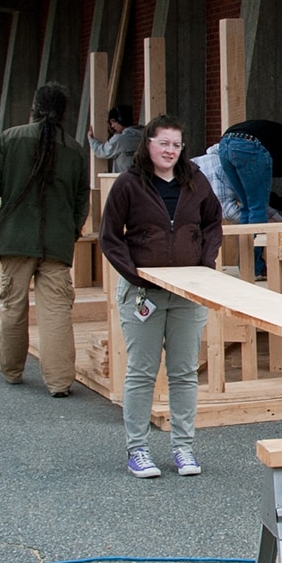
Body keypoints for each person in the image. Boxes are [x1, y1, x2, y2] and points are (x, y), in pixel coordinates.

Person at [99, 114, 221, 478]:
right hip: (143, 293)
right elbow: (109, 236)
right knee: (141, 372)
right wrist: (134, 273)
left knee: (184, 372)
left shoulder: (196, 182)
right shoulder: (128, 184)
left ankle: (183, 447)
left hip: (187, 293)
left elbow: (213, 222)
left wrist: (204, 262)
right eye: (163, 142)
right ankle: (137, 450)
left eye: (176, 144)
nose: (169, 150)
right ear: (148, 144)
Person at [0, 83, 92, 398]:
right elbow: (81, 201)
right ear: (64, 113)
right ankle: (60, 382)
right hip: (56, 244)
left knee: (13, 306)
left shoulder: (10, 139)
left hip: (15, 239)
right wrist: (71, 231)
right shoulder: (75, 150)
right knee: (57, 312)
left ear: (34, 107)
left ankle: (12, 372)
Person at [215, 118, 282, 224]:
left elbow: (257, 192)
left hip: (224, 144)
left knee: (247, 206)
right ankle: (257, 239)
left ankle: (247, 240)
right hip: (249, 144)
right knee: (257, 208)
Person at [88, 104, 142, 173]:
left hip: (125, 180)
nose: (112, 126)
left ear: (121, 119)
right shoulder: (143, 133)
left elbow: (101, 151)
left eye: (113, 122)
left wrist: (91, 139)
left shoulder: (120, 139)